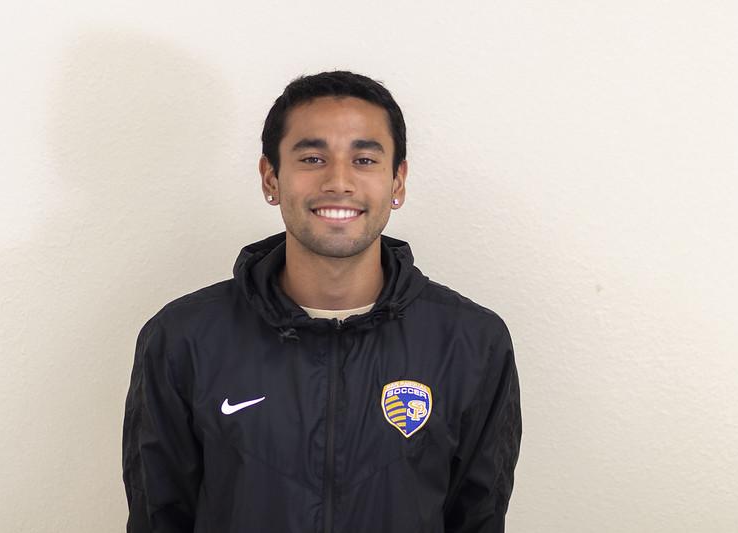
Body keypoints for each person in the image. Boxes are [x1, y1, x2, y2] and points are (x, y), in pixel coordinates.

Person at [122, 70, 521, 533]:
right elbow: (159, 518)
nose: (339, 181)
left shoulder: (472, 343)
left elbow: (479, 519)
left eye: (365, 160)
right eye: (312, 157)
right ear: (271, 177)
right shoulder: (183, 339)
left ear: (398, 181)